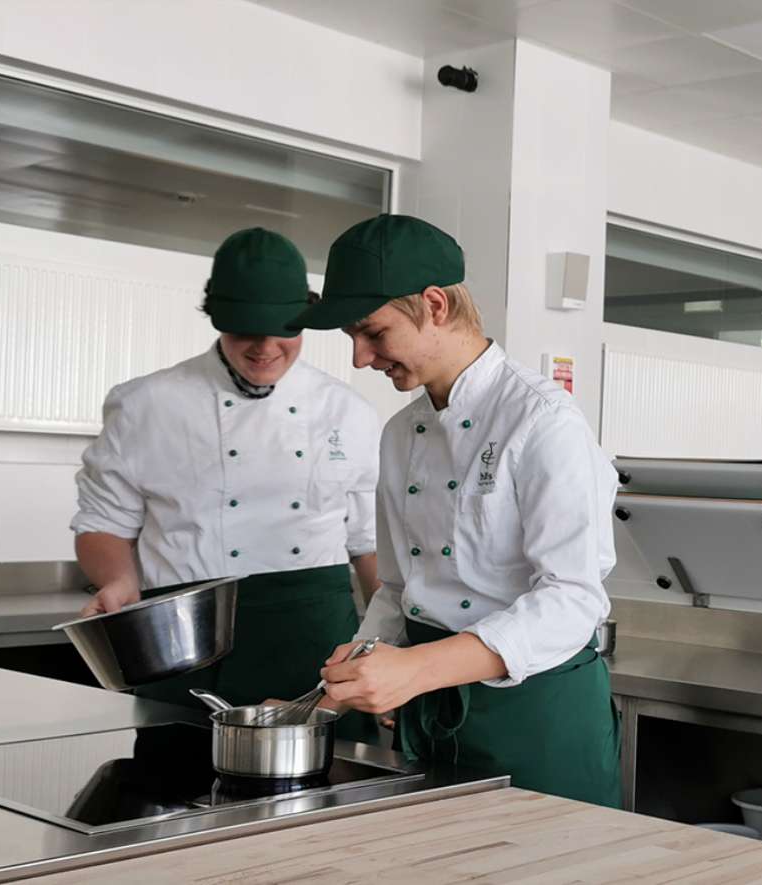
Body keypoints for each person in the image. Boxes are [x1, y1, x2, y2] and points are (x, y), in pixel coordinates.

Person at [287, 214, 621, 805]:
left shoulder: (543, 422)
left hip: (536, 715)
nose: (362, 358)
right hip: (435, 715)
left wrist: (416, 670)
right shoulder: (400, 434)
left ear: (435, 305)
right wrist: (335, 689)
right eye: (352, 339)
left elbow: (573, 600)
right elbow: (397, 588)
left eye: (373, 333)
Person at [71, 227, 381, 742]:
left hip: (315, 639)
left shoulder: (346, 411)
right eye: (245, 332)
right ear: (217, 321)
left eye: (283, 330)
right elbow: (103, 525)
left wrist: (388, 649)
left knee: (335, 795)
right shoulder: (148, 403)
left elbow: (370, 545)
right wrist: (118, 582)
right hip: (185, 638)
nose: (264, 349)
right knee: (174, 786)